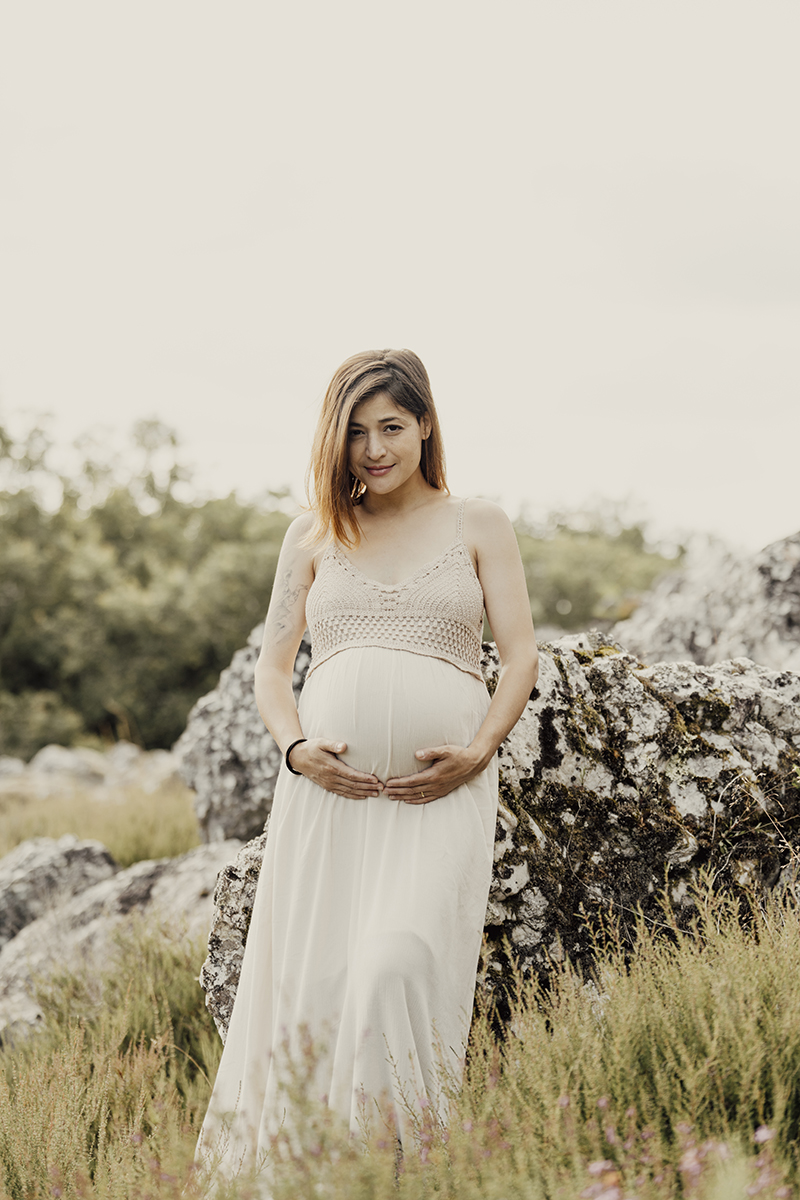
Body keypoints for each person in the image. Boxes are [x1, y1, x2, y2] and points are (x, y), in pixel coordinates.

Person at [196, 348, 538, 1185]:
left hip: (438, 798)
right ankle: (322, 1178)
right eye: (355, 432)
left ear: (425, 425)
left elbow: (521, 656)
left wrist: (480, 748)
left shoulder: (479, 523)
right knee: (318, 993)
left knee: (394, 969)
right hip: (326, 803)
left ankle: (403, 1173)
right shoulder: (313, 533)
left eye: (391, 426)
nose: (374, 448)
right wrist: (296, 749)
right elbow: (272, 670)